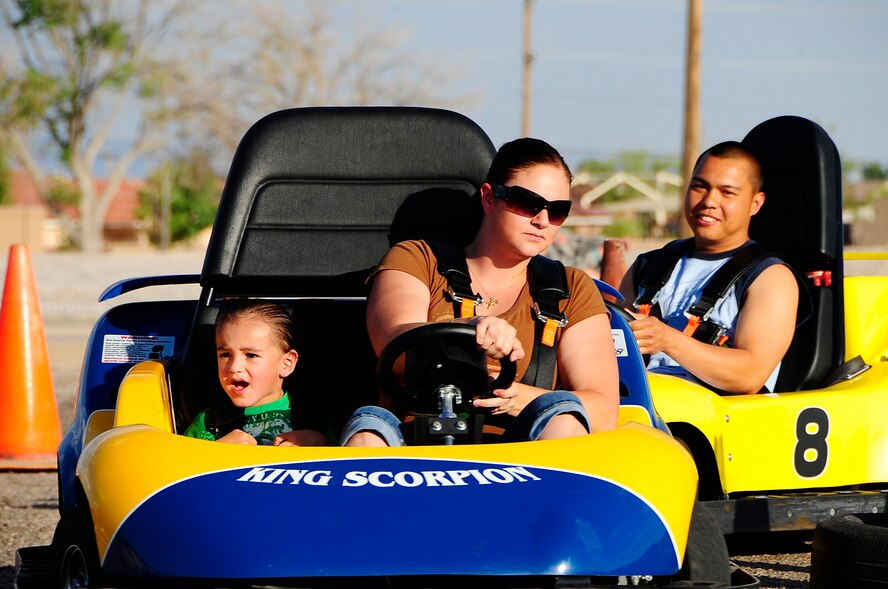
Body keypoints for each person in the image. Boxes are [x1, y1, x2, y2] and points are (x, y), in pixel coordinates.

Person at [342, 137, 620, 447]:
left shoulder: (572, 288)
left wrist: (516, 398)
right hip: (412, 446)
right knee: (368, 433)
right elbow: (392, 338)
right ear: (489, 198)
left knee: (565, 421)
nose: (542, 221)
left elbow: (603, 411)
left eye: (557, 210)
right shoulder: (417, 259)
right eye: (527, 203)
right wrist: (467, 330)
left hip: (523, 459)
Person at [618, 141, 799, 395]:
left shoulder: (770, 278)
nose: (709, 201)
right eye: (699, 187)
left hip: (703, 423)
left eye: (727, 192)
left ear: (755, 203)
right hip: (633, 404)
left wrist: (668, 340)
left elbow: (750, 375)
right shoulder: (647, 266)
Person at [184, 300, 329, 446]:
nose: (234, 367)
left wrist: (320, 442)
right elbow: (178, 465)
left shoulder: (315, 418)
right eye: (225, 355)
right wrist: (216, 452)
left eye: (251, 355)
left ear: (286, 364)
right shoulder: (208, 424)